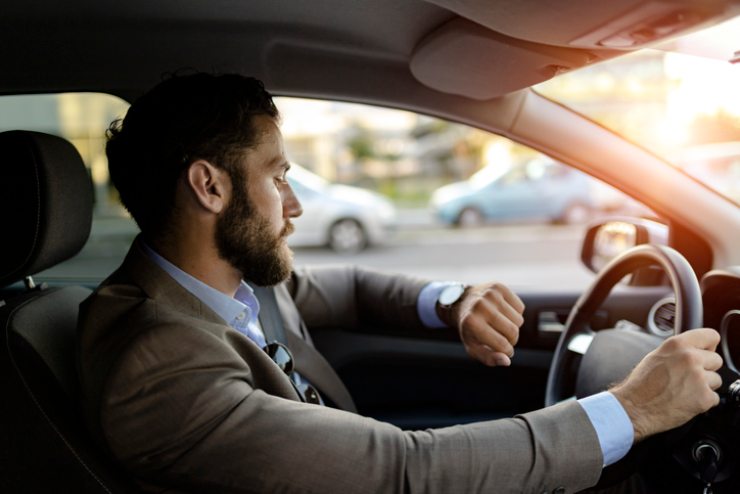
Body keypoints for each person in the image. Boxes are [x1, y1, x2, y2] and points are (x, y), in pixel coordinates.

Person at [76, 73, 723, 494]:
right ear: (208, 186)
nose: (295, 206)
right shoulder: (155, 361)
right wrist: (632, 409)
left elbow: (356, 285)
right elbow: (400, 471)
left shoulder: (237, 286)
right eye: (277, 176)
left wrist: (453, 302)